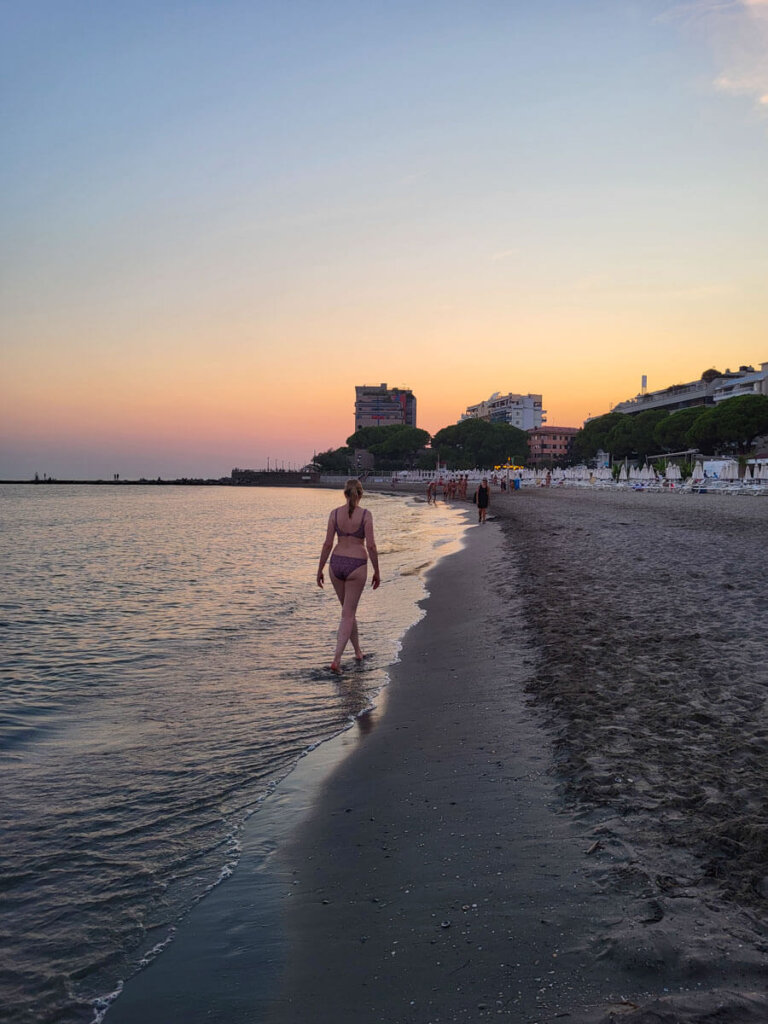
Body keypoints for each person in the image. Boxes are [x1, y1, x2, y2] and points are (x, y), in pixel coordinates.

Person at [317, 479, 380, 672]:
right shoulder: (366, 515)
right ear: (360, 494)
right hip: (356, 565)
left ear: (345, 494)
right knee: (348, 613)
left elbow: (327, 544)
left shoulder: (334, 514)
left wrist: (319, 569)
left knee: (347, 612)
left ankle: (358, 652)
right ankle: (336, 660)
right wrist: (377, 570)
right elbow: (370, 546)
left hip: (336, 564)